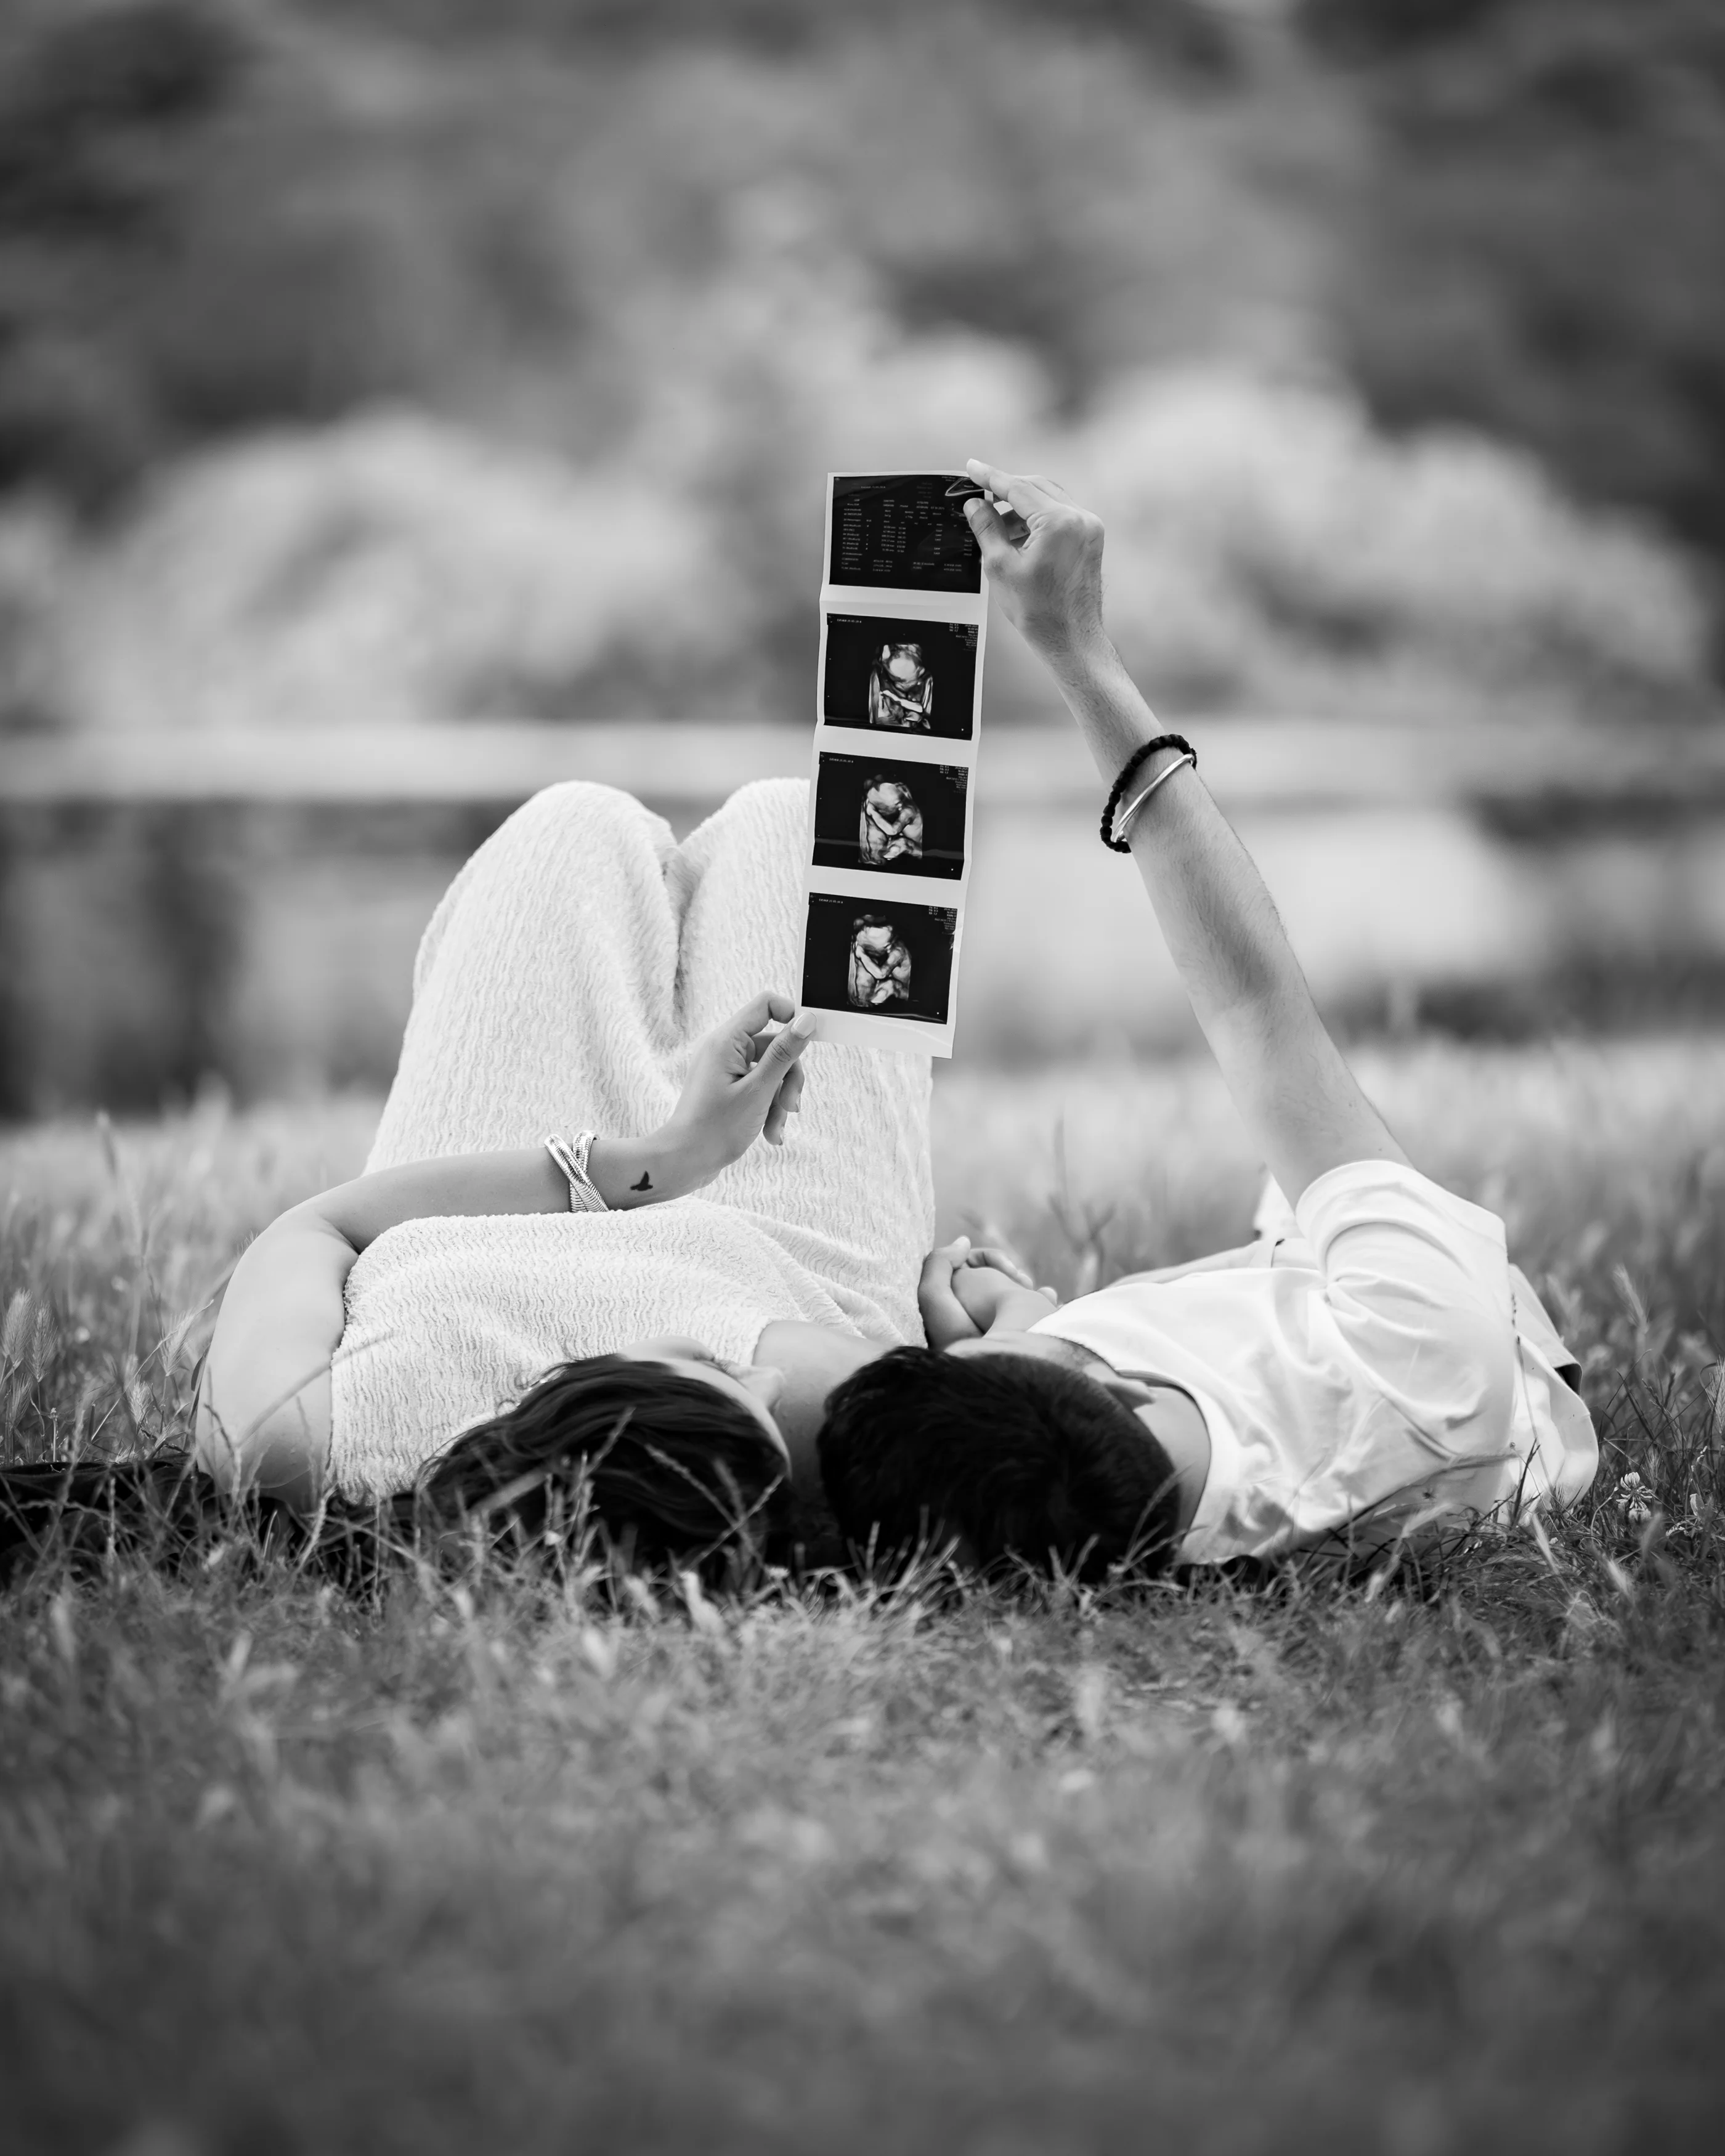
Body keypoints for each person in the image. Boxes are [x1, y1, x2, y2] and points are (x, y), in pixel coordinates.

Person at [813, 458, 1598, 1580]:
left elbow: (1056, 1444)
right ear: (1110, 1383)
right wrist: (1082, 657)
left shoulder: (1106, 1493)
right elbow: (1256, 1010)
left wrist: (1013, 1335)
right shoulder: (1417, 1345)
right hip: (1471, 1355)